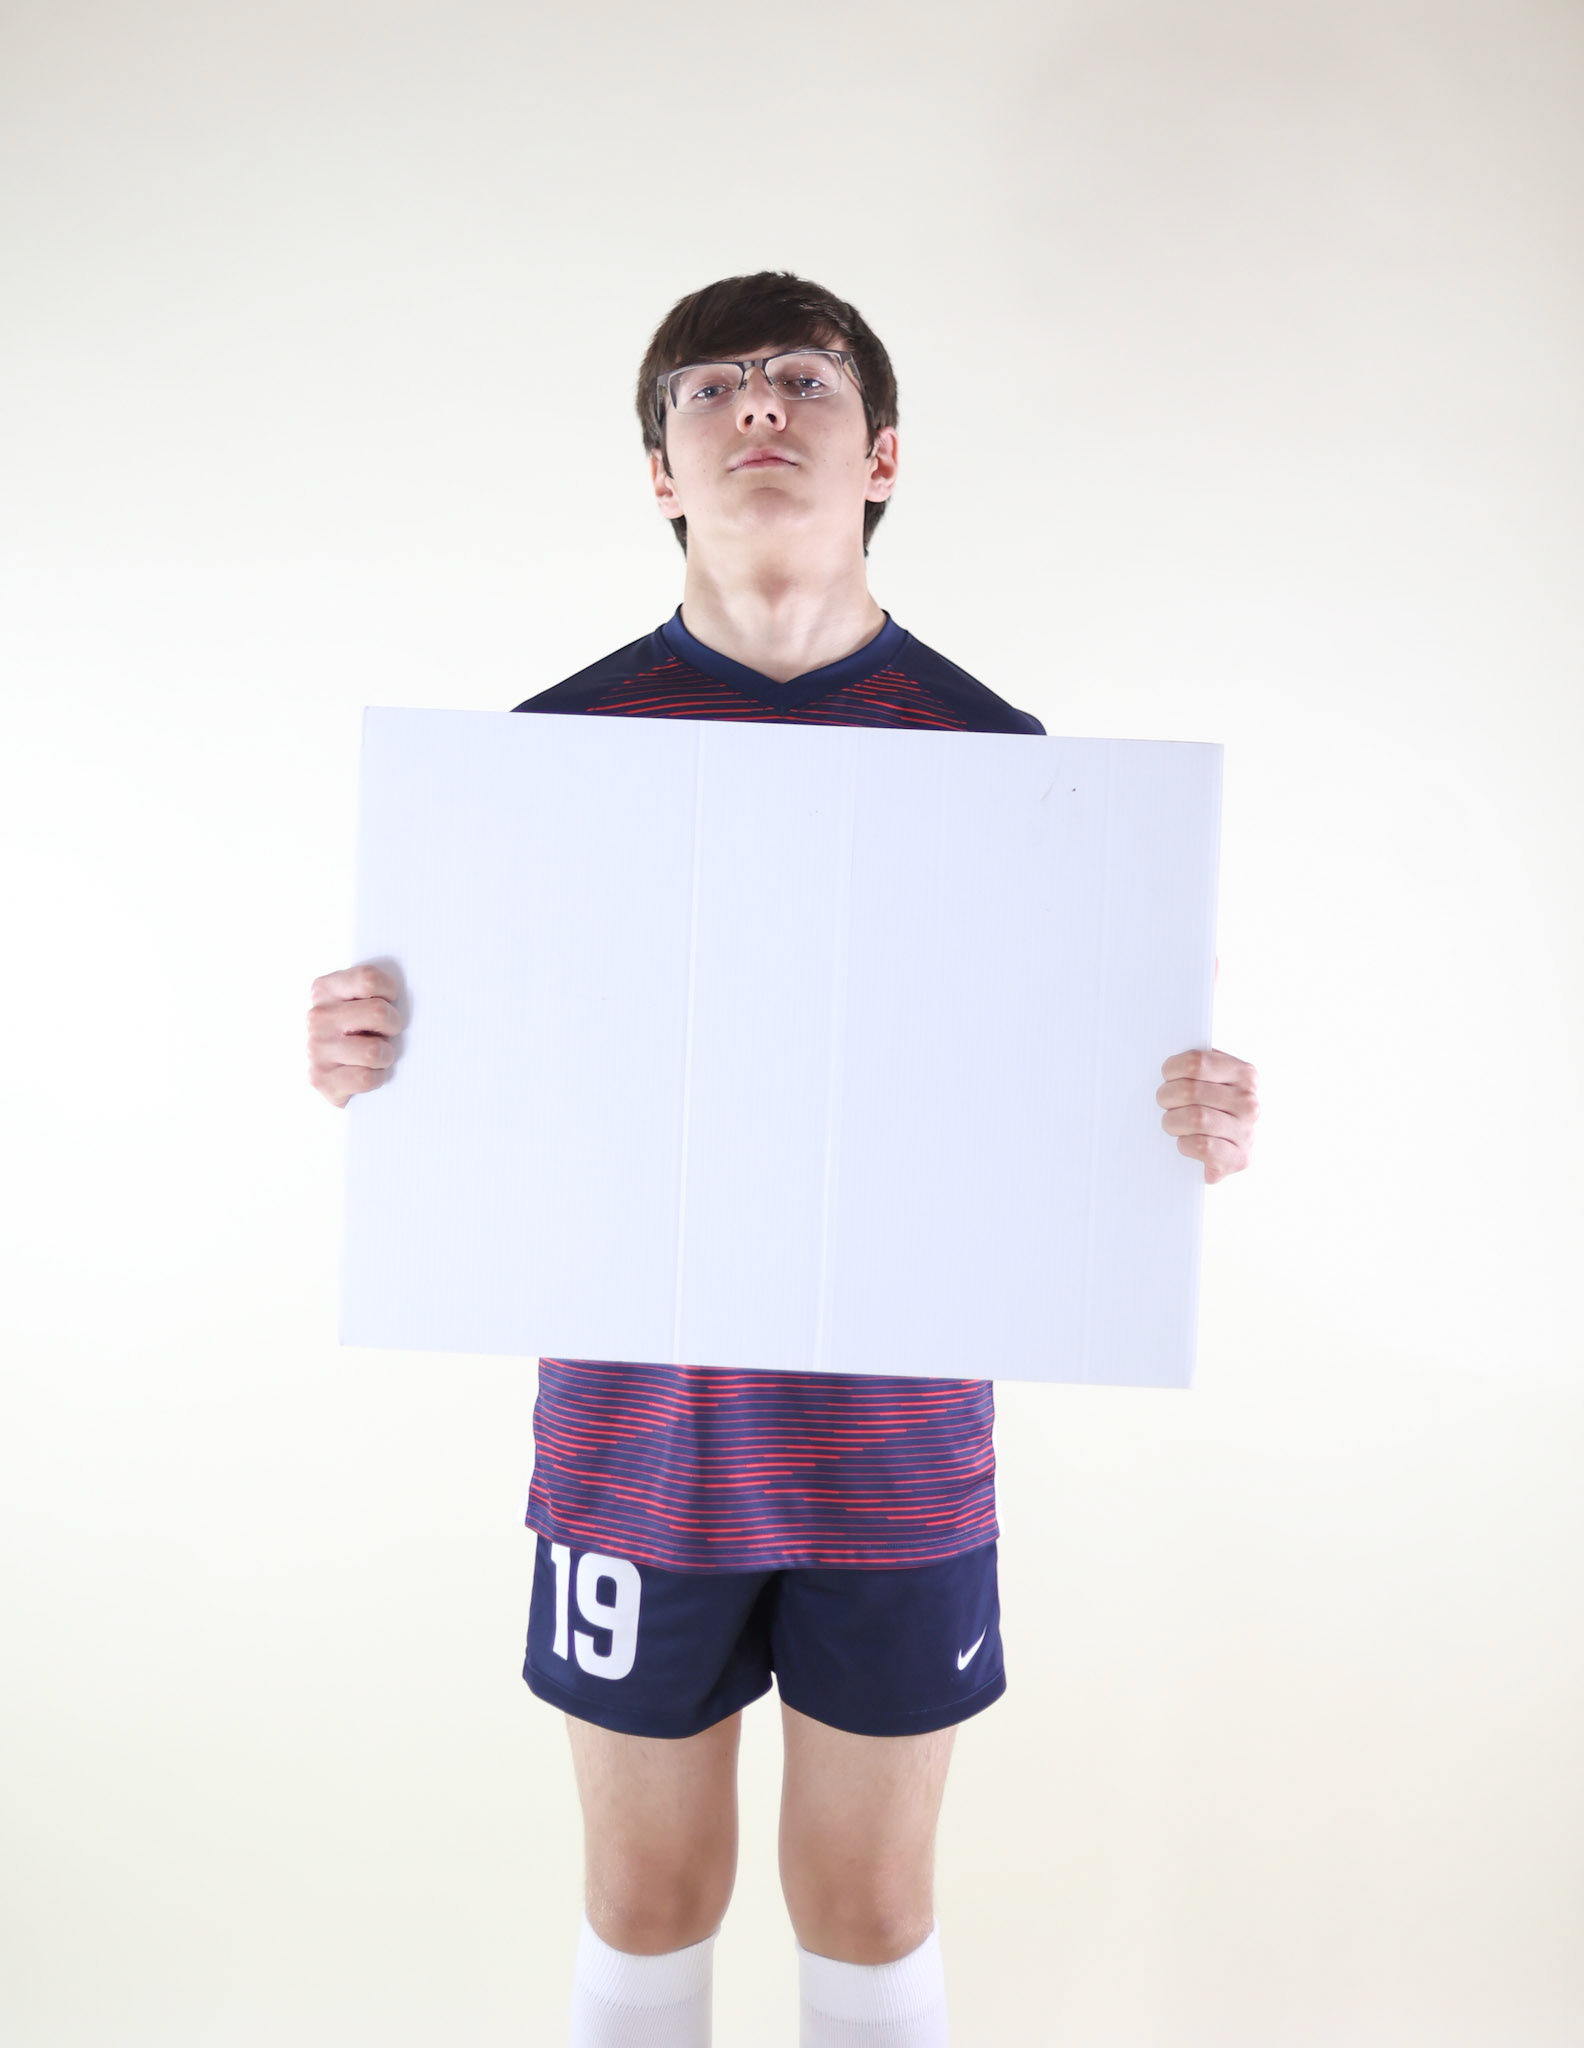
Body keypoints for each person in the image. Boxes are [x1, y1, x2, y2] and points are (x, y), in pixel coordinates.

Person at [306, 270, 1259, 2047]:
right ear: (658, 470)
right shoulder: (541, 766)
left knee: (874, 1906)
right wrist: (375, 1056)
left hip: (895, 1441)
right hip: (638, 1435)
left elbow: (1070, 1104)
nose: (757, 405)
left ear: (881, 452)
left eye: (804, 380)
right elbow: (488, 1093)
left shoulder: (1008, 772)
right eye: (711, 386)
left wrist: (1184, 1115)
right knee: (646, 1898)